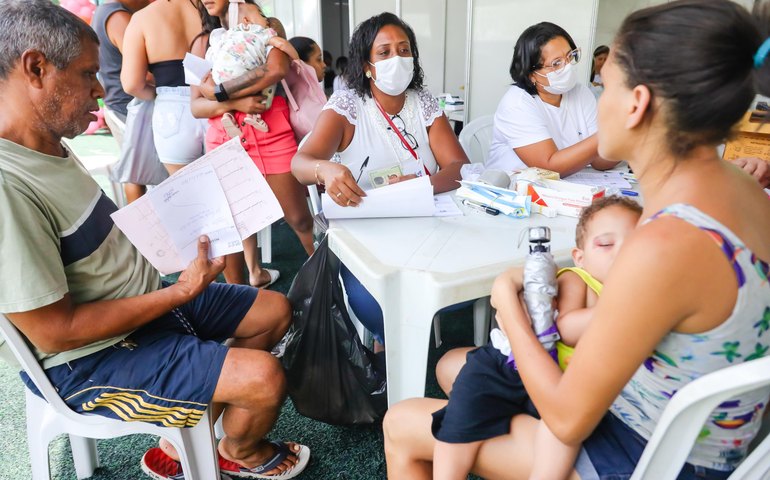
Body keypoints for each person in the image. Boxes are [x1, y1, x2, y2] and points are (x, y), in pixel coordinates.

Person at [384, 1, 770, 478]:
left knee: (402, 421)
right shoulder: (746, 189)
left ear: (637, 103)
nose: (593, 98)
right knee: (454, 367)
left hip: (651, 454)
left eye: (603, 85)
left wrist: (508, 306)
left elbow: (567, 419)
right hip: (702, 428)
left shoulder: (667, 242)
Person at [0, 2, 309, 480]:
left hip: (145, 305)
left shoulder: (47, 144)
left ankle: (188, 435)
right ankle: (239, 452)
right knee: (265, 379)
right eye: (87, 74)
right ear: (36, 68)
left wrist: (172, 226)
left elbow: (87, 241)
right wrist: (180, 291)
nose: (101, 90)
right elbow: (52, 332)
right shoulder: (7, 184)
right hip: (88, 359)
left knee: (274, 309)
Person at [431, 196, 642, 480]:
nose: (622, 253)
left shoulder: (641, 295)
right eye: (606, 244)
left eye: (636, 244)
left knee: (561, 436)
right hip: (509, 368)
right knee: (461, 419)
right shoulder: (578, 280)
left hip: (561, 390)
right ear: (580, 257)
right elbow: (564, 327)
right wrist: (618, 310)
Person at [291, 12, 469, 347]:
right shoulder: (348, 106)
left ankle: (402, 336)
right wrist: (325, 169)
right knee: (379, 306)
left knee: (462, 286)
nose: (397, 59)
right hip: (367, 234)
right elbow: (300, 162)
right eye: (384, 52)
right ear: (367, 65)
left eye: (404, 50)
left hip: (427, 227)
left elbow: (459, 166)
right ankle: (388, 342)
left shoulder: (424, 103)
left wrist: (415, 188)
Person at [191, 0, 315, 289]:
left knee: (299, 219)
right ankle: (246, 291)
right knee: (232, 226)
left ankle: (332, 285)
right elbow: (197, 106)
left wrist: (219, 91)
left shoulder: (270, 26)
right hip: (225, 139)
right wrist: (235, 102)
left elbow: (275, 71)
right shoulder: (203, 42)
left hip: (272, 134)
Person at [486, 22, 619, 175]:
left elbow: (599, 160)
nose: (567, 66)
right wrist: (609, 132)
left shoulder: (581, 93)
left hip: (565, 186)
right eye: (556, 63)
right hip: (513, 190)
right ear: (531, 74)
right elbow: (548, 168)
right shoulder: (517, 104)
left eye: (570, 56)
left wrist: (625, 134)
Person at [120, 0, 209, 176]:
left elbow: (131, 84)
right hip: (214, 103)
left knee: (187, 194)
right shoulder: (212, 10)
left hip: (171, 112)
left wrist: (158, 93)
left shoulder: (142, 18)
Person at [91, 0, 150, 203]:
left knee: (136, 172)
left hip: (120, 104)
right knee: (136, 174)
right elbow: (142, 71)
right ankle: (142, 230)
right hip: (126, 108)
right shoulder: (117, 17)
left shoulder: (105, 12)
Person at [207, 2, 298, 134]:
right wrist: (296, 59)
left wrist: (218, 92)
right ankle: (255, 117)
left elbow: (208, 92)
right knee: (263, 83)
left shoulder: (224, 36)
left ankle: (228, 116)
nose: (266, 20)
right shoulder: (262, 31)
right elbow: (281, 46)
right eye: (261, 15)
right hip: (243, 75)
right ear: (247, 20)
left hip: (219, 75)